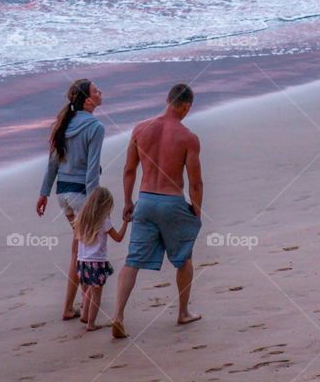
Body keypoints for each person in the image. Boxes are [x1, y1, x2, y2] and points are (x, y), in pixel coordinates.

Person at [111, 83, 203, 339]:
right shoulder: (188, 137)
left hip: (146, 200)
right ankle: (183, 312)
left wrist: (128, 202)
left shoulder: (141, 129)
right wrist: (197, 211)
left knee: (132, 261)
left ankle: (118, 315)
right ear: (186, 106)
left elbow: (129, 170)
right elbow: (195, 182)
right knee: (184, 258)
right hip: (172, 202)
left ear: (167, 100)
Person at [35, 79, 105, 321]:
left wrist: (44, 194)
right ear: (87, 100)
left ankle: (72, 307)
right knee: (86, 250)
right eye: (96, 91)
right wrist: (95, 202)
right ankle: (84, 309)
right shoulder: (95, 126)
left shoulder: (63, 124)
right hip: (81, 195)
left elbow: (53, 164)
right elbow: (92, 169)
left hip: (63, 194)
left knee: (79, 248)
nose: (100, 93)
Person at [73, 187, 128, 331]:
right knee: (96, 294)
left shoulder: (81, 218)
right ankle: (91, 324)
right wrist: (126, 223)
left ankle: (85, 315)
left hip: (82, 261)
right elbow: (119, 238)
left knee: (90, 288)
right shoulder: (104, 221)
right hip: (97, 261)